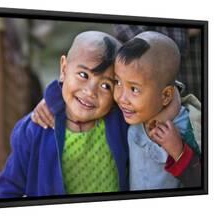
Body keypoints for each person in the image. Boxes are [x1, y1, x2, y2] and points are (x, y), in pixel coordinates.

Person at [31, 31, 201, 190]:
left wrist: (178, 151)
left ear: (165, 95)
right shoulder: (130, 113)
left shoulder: (189, 127)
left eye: (134, 89)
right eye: (117, 82)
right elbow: (83, 91)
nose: (121, 97)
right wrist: (53, 101)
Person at [0, 31, 129, 198]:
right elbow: (10, 188)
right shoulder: (34, 130)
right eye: (83, 75)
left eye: (106, 86)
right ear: (64, 69)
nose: (90, 92)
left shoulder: (120, 122)